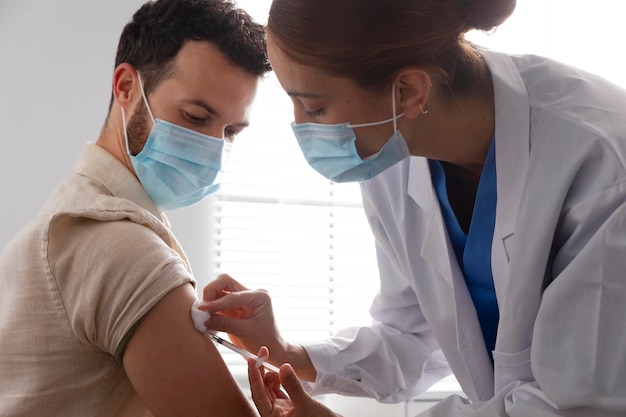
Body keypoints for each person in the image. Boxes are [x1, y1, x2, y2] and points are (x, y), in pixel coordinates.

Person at [198, 0, 626, 415]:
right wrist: (289, 352)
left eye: (314, 107)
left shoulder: (600, 158)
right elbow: (412, 337)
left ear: (407, 91)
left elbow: (577, 404)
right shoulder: (392, 151)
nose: (300, 126)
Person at [0, 0, 270, 416]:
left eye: (231, 132)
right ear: (126, 87)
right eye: (196, 116)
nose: (214, 151)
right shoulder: (123, 248)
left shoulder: (60, 219)